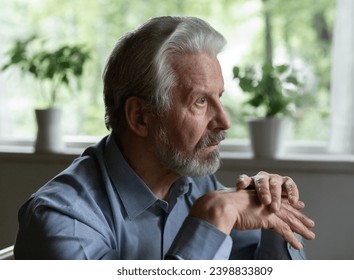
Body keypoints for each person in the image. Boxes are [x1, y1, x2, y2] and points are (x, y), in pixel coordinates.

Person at [14, 16, 315, 260]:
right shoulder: (61, 221)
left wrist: (274, 219)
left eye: (219, 97)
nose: (225, 121)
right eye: (200, 101)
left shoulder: (194, 183)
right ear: (140, 117)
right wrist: (210, 220)